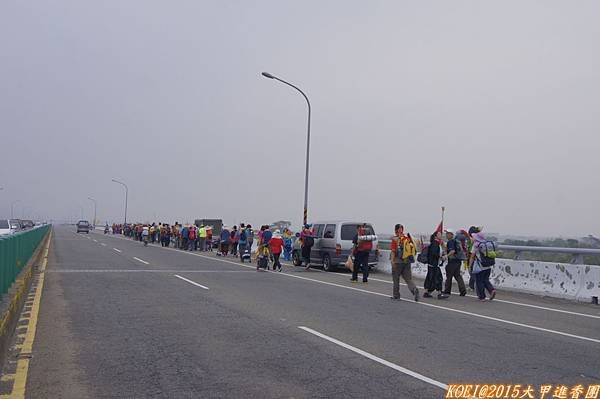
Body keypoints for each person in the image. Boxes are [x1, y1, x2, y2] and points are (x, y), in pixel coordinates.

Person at [389, 224, 419, 301]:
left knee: (396, 279)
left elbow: (393, 251)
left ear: (395, 230)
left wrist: (392, 261)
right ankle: (414, 289)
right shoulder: (407, 238)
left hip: (397, 262)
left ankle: (396, 295)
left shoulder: (395, 239)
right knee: (408, 279)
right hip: (407, 261)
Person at [469, 229, 497, 301]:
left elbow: (472, 256)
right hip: (488, 266)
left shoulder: (476, 245)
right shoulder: (487, 244)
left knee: (479, 281)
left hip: (480, 266)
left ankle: (482, 297)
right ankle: (492, 290)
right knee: (486, 280)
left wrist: (470, 266)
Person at [424, 231, 448, 299]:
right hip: (434, 264)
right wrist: (441, 257)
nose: (441, 235)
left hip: (432, 264)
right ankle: (439, 293)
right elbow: (434, 253)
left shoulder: (436, 243)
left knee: (430, 278)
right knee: (438, 278)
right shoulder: (435, 243)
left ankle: (427, 292)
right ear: (435, 236)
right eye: (439, 234)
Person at [443, 228, 467, 296]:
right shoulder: (456, 241)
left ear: (451, 234)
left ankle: (447, 291)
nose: (446, 235)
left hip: (452, 261)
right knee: (458, 276)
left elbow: (452, 251)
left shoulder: (451, 242)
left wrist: (446, 256)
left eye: (447, 234)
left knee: (449, 276)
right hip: (458, 261)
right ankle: (463, 291)